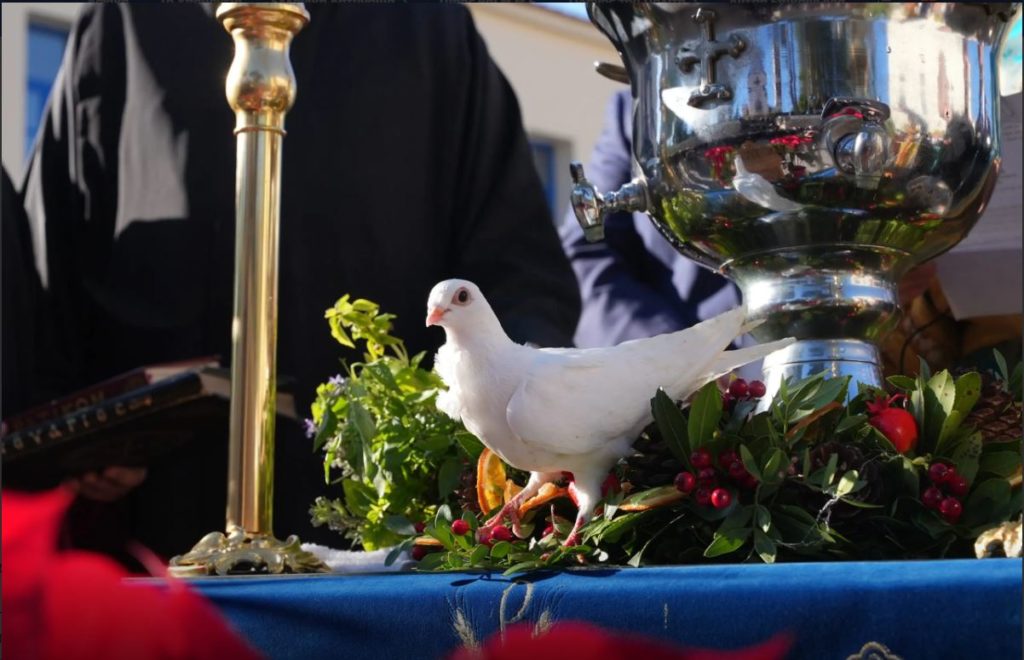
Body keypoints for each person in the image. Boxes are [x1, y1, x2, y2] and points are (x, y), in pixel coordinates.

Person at [11, 4, 581, 557]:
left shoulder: (430, 27)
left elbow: (518, 269)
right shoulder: (124, 19)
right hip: (154, 520)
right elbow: (46, 267)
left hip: (387, 537)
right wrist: (78, 438)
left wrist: (512, 414)